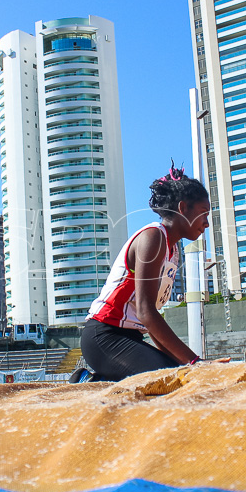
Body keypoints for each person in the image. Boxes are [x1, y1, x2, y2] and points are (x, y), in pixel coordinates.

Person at [80, 163, 226, 382]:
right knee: (176, 379)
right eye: (204, 213)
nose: (206, 223)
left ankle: (102, 380)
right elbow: (146, 312)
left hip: (131, 338)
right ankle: (89, 381)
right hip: (104, 336)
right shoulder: (153, 238)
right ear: (182, 208)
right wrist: (195, 362)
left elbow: (148, 320)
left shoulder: (173, 250)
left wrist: (183, 362)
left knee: (182, 374)